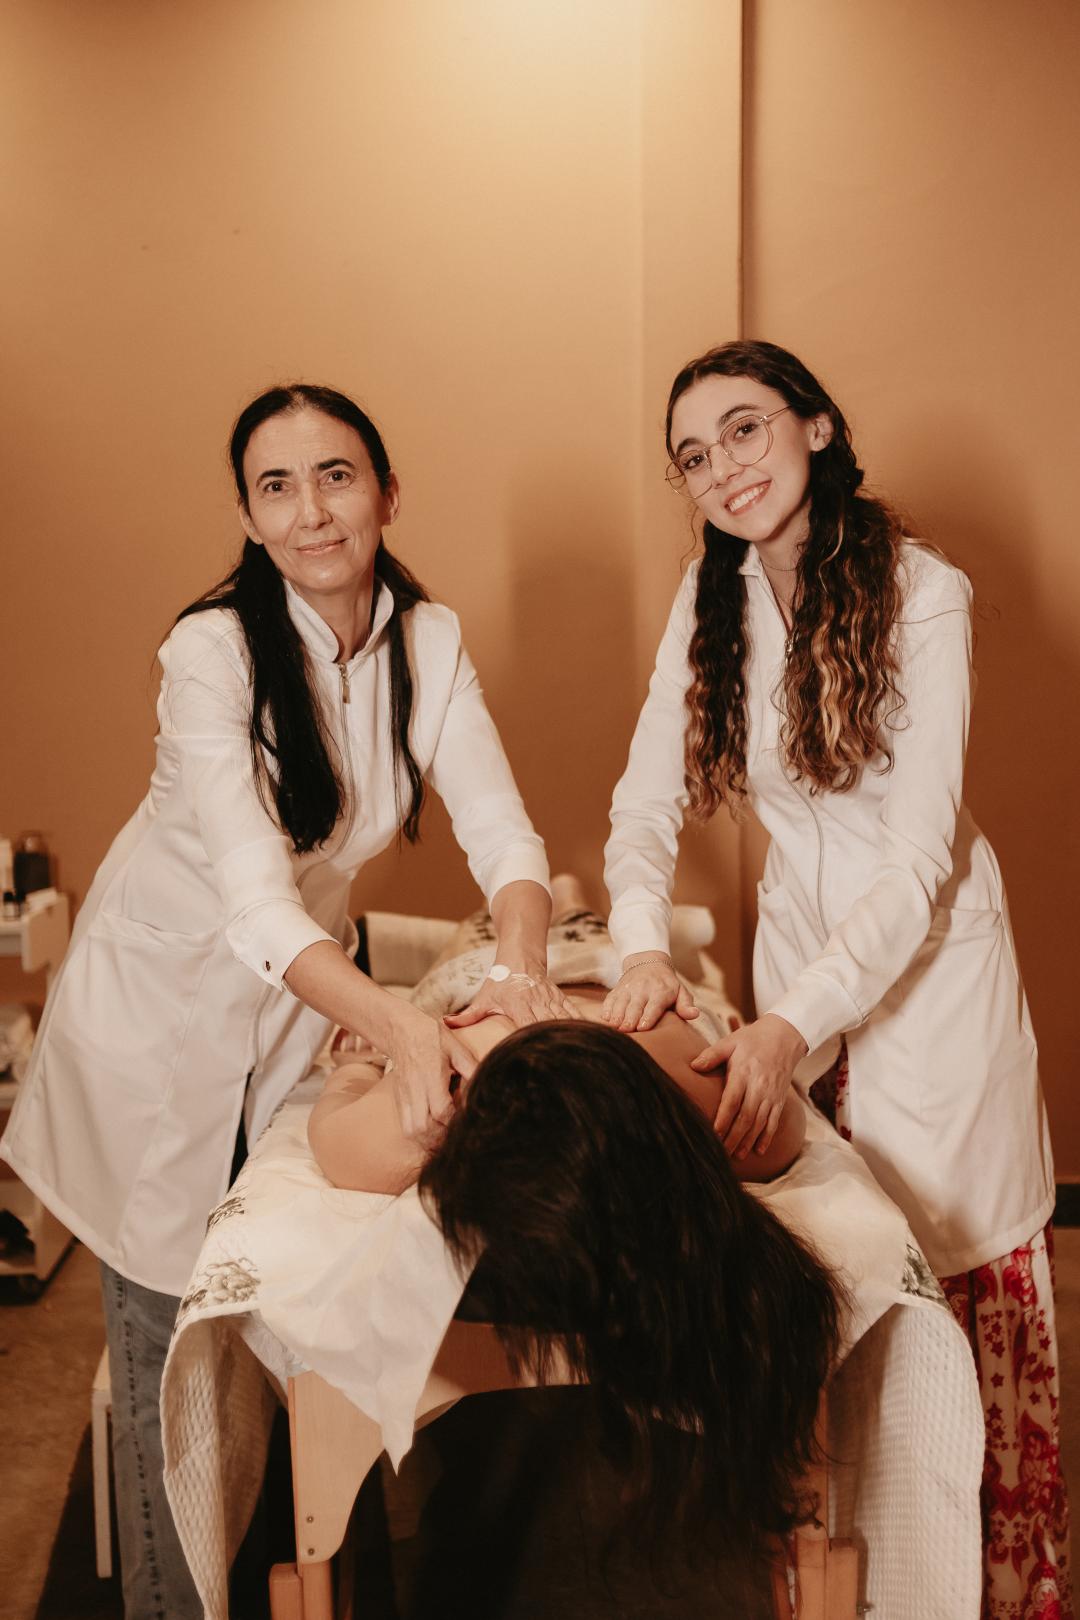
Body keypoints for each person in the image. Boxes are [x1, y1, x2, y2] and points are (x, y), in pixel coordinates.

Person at [1, 383, 569, 1620]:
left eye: (336, 476)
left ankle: (292, 1575)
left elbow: (505, 837)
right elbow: (258, 906)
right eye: (277, 486)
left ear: (387, 492)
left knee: (269, 1351)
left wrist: (522, 969)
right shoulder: (210, 653)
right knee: (171, 1377)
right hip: (157, 1029)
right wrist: (404, 1025)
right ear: (250, 517)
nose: (312, 511)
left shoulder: (428, 643)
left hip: (292, 1018)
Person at [601, 339, 1068, 1616]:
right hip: (802, 995)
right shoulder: (713, 602)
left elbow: (915, 862)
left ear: (815, 426)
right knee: (838, 1295)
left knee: (951, 1290)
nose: (722, 468)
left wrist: (790, 1024)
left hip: (925, 986)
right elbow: (642, 804)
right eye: (694, 456)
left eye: (745, 429)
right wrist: (641, 946)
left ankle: (987, 1592)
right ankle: (856, 1586)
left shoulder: (923, 591)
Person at [308, 879, 839, 1571]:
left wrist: (352, 1070)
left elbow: (336, 1105)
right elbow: (783, 1104)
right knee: (530, 915)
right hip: (526, 978)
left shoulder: (720, 1114)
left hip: (594, 978)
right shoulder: (722, 1117)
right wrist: (367, 1059)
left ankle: (568, 892)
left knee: (537, 915)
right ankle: (568, 892)